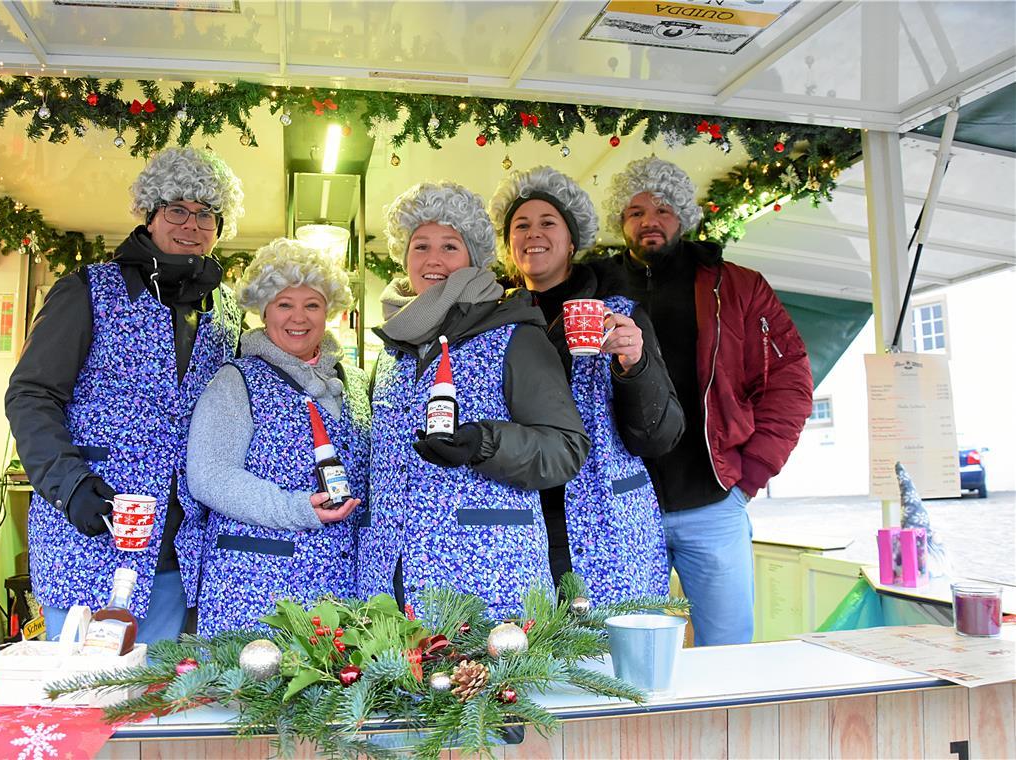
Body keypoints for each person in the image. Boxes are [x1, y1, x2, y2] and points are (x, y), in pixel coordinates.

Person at [5, 147, 245, 643]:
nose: (191, 224)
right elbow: (31, 394)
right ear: (151, 214)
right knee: (81, 692)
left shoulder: (225, 309)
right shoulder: (87, 289)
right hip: (92, 527)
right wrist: (69, 485)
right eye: (177, 209)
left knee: (153, 701)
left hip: (180, 545)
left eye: (206, 214)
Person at [592, 156, 813, 645]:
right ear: (619, 220)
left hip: (712, 503)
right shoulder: (595, 288)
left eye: (663, 209)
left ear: (684, 216)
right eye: (635, 211)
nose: (649, 220)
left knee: (729, 651)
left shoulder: (736, 287)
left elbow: (789, 380)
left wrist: (750, 473)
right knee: (623, 657)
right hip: (621, 509)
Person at [359, 181, 589, 619]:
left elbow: (566, 447)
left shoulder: (514, 334)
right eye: (420, 246)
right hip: (389, 585)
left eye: (450, 246)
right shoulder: (392, 349)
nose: (433, 260)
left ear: (473, 257)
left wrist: (485, 443)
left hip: (489, 580)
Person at [488, 166, 684, 602]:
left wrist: (634, 362)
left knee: (609, 663)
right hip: (516, 519)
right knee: (524, 660)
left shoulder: (619, 312)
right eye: (520, 225)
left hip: (606, 519)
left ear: (573, 241)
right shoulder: (490, 322)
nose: (533, 233)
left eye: (547, 222)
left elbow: (659, 435)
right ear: (507, 247)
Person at [187, 239, 368, 637]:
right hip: (255, 589)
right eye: (285, 304)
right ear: (264, 311)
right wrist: (295, 508)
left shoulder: (352, 382)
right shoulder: (235, 380)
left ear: (330, 311)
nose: (298, 317)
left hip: (337, 592)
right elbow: (209, 475)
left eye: (312, 304)